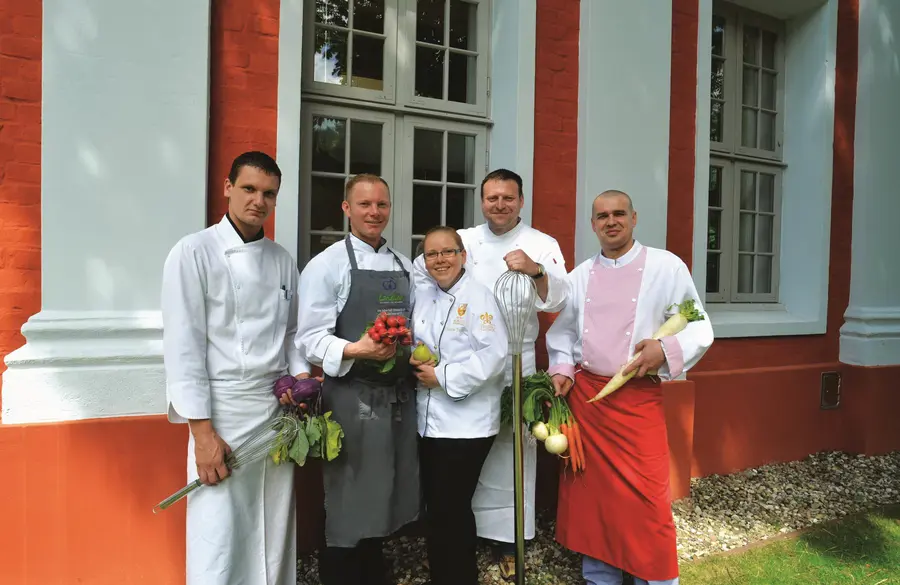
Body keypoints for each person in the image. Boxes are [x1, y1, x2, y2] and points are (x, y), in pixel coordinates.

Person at [545, 190, 714, 585]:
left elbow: (697, 322)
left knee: (647, 498)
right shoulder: (581, 275)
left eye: (619, 213)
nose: (611, 221)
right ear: (593, 225)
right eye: (602, 215)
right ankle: (600, 576)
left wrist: (664, 348)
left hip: (637, 400)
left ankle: (654, 578)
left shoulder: (666, 267)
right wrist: (562, 369)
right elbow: (564, 334)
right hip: (588, 402)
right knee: (593, 499)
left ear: (634, 218)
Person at [161, 151, 310, 585]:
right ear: (228, 187)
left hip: (275, 412)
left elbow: (292, 333)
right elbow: (183, 345)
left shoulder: (282, 260)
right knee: (220, 531)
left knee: (274, 523)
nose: (258, 201)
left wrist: (299, 381)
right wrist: (201, 434)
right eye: (248, 189)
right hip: (220, 411)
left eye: (268, 194)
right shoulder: (193, 252)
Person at [413, 168, 569, 579]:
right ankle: (460, 537)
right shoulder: (464, 240)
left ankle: (510, 540)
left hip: (515, 360)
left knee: (513, 453)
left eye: (508, 198)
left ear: (521, 201)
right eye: (491, 197)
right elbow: (423, 269)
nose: (499, 204)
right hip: (460, 360)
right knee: (461, 467)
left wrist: (536, 270)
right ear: (481, 201)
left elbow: (560, 297)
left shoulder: (541, 243)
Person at [296, 174, 419, 585]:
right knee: (348, 491)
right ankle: (341, 574)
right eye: (364, 204)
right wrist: (357, 349)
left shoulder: (404, 265)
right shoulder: (326, 265)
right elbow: (310, 339)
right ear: (347, 209)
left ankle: (372, 570)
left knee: (385, 486)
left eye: (381, 205)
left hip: (397, 398)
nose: (374, 212)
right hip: (350, 397)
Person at [410, 226, 510, 585]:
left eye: (447, 252)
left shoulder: (479, 298)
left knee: (451, 508)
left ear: (462, 256)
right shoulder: (425, 296)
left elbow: (495, 355)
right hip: (430, 421)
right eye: (432, 254)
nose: (440, 260)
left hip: (468, 424)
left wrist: (445, 376)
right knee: (439, 509)